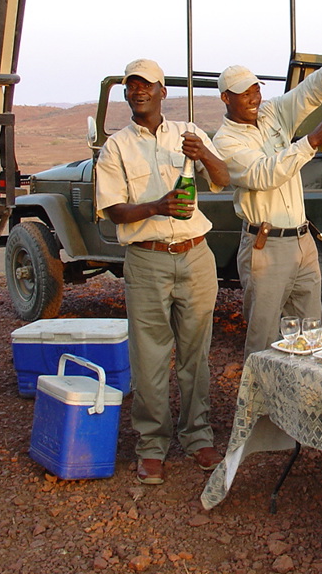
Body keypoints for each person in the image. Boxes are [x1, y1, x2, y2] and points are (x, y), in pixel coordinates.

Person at [95, 58, 231, 484]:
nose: (138, 92)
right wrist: (156, 207)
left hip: (195, 255)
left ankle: (198, 435)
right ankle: (152, 444)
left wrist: (204, 152)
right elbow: (114, 210)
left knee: (196, 352)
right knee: (149, 355)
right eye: (131, 86)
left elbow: (223, 179)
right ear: (126, 94)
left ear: (161, 91)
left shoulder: (187, 134)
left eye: (146, 85)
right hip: (147, 258)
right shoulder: (116, 147)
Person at [212, 53, 322, 358]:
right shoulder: (225, 142)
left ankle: (307, 401)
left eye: (256, 90)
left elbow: (305, 95)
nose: (254, 98)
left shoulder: (272, 113)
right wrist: (311, 142)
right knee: (264, 339)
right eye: (244, 93)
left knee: (313, 334)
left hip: (302, 241)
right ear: (225, 98)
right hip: (266, 247)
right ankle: (259, 405)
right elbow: (264, 173)